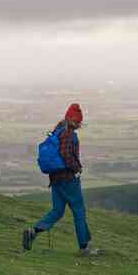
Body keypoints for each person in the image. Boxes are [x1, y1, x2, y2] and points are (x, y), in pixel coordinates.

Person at [22, 103, 100, 256]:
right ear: (72, 119)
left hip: (56, 179)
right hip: (68, 179)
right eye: (78, 122)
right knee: (79, 212)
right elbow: (66, 155)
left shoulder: (57, 131)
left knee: (57, 211)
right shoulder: (68, 134)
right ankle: (85, 246)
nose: (79, 125)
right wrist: (78, 168)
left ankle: (34, 231)